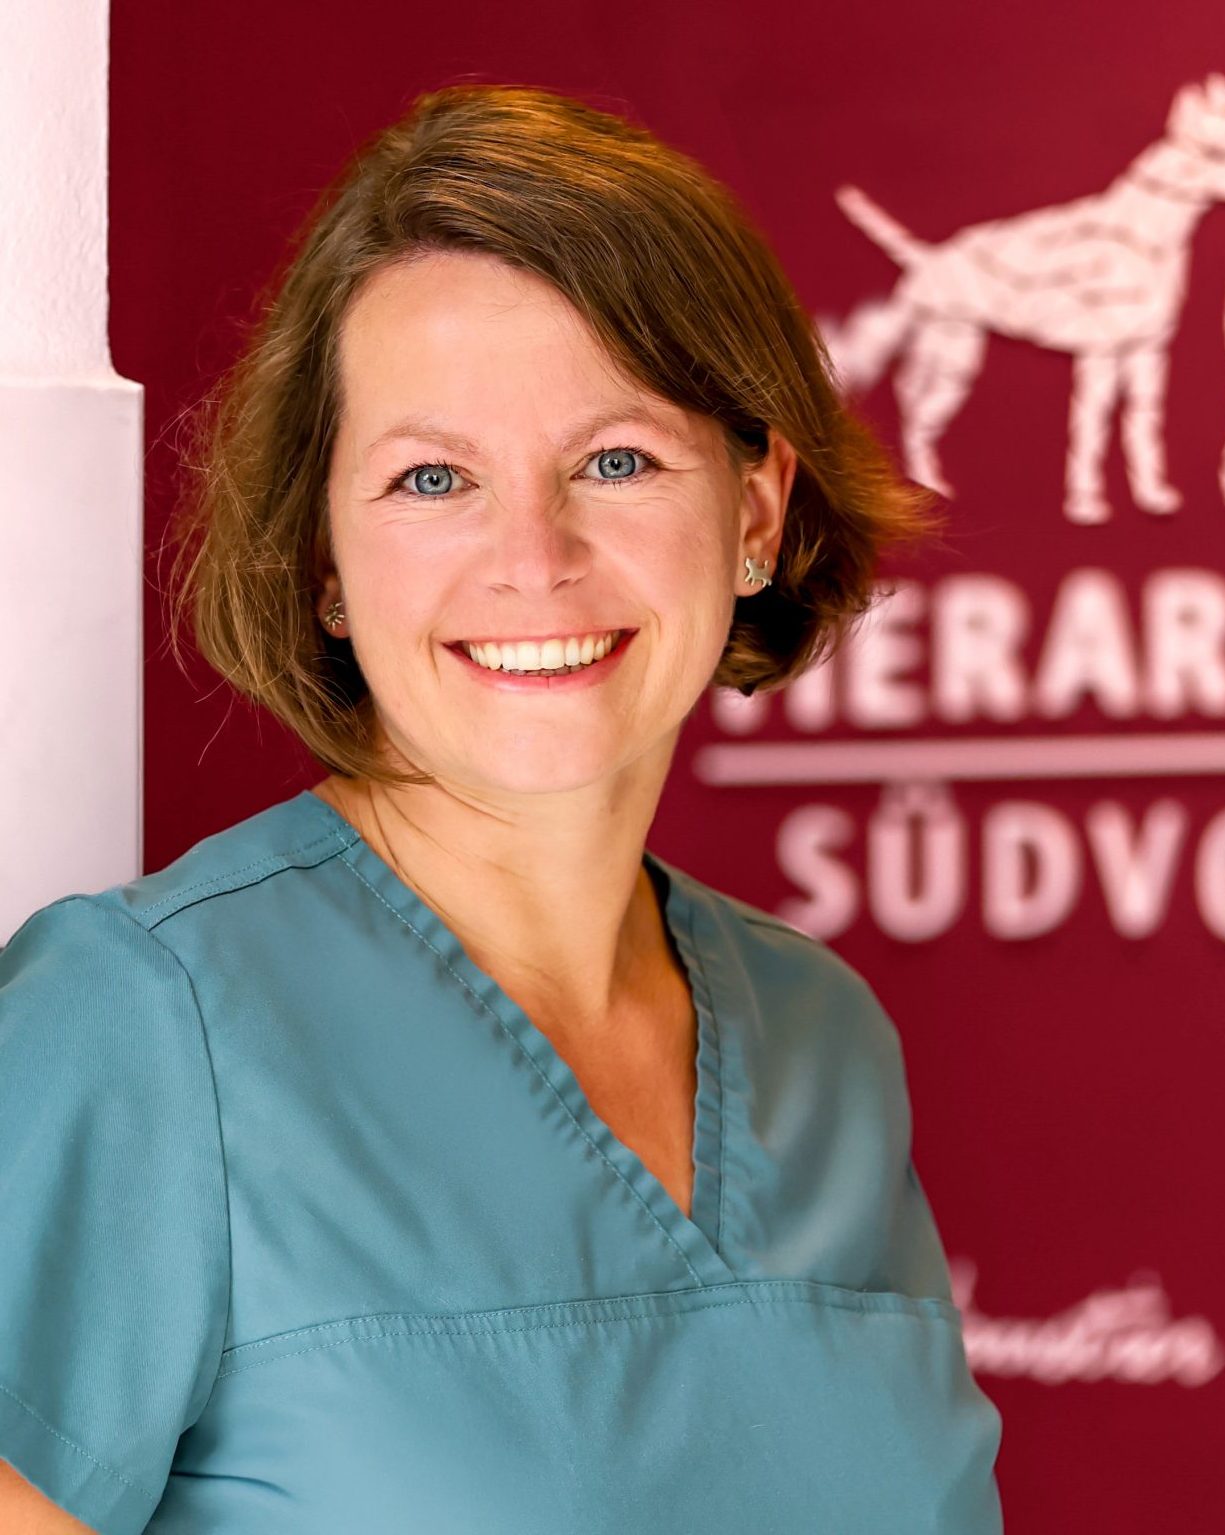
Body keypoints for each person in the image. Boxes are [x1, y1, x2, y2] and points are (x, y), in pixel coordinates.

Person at [0, 83, 1003, 1534]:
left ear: (755, 512)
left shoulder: (823, 1040)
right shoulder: (144, 1021)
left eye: (616, 460)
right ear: (323, 562)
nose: (533, 557)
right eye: (432, 479)